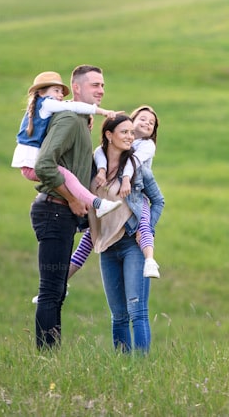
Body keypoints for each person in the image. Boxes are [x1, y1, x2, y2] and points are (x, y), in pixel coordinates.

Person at [29, 64, 106, 349]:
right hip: (55, 209)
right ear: (76, 88)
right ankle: (46, 358)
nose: (100, 90)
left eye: (102, 86)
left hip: (62, 212)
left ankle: (50, 357)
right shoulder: (70, 120)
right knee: (51, 291)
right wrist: (73, 199)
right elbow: (44, 164)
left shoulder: (81, 121)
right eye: (94, 85)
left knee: (57, 290)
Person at [87, 114, 165, 354]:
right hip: (107, 247)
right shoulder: (94, 168)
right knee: (118, 315)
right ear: (109, 135)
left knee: (137, 311)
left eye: (132, 133)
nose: (131, 136)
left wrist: (146, 230)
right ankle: (123, 367)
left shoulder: (138, 169)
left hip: (132, 244)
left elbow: (158, 201)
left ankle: (142, 371)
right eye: (125, 132)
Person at [67, 105, 162, 280]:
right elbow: (99, 153)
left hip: (136, 196)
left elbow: (134, 160)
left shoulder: (146, 146)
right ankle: (62, 283)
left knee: (144, 226)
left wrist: (126, 179)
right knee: (88, 240)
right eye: (143, 119)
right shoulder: (123, 142)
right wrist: (102, 171)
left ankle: (150, 260)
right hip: (111, 201)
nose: (147, 124)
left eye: (152, 123)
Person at [12, 70, 122, 219]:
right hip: (55, 209)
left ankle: (96, 204)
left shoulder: (49, 108)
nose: (60, 95)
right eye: (56, 91)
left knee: (68, 176)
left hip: (57, 209)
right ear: (42, 93)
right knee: (68, 177)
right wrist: (103, 112)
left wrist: (86, 116)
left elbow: (69, 105)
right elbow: (44, 166)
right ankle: (98, 204)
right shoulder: (58, 111)